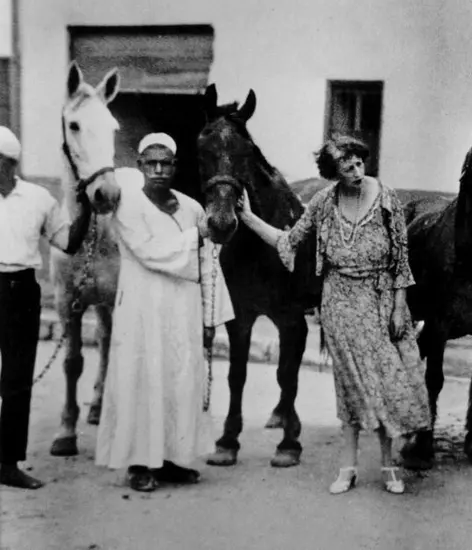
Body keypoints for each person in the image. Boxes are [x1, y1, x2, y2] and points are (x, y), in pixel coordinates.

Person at [237, 135, 430, 495]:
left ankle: (389, 468)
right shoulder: (324, 202)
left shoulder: (387, 197)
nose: (357, 171)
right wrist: (247, 218)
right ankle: (348, 467)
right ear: (333, 173)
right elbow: (288, 240)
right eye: (347, 167)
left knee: (386, 384)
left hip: (381, 299)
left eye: (359, 162)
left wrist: (400, 306)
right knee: (350, 387)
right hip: (339, 302)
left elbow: (402, 259)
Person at [93, 133, 233, 492]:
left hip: (183, 309)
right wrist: (195, 237)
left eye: (165, 162)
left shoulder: (191, 208)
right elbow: (150, 251)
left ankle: (171, 459)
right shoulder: (128, 206)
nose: (158, 169)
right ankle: (139, 463)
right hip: (141, 307)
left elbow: (208, 264)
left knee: (179, 379)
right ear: (139, 166)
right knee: (142, 378)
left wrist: (210, 318)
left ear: (175, 166)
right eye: (151, 163)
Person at [0, 126, 93, 489]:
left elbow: (67, 243)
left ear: (9, 163)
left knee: (17, 379)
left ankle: (7, 464)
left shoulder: (39, 198)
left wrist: (84, 209)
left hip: (20, 289)